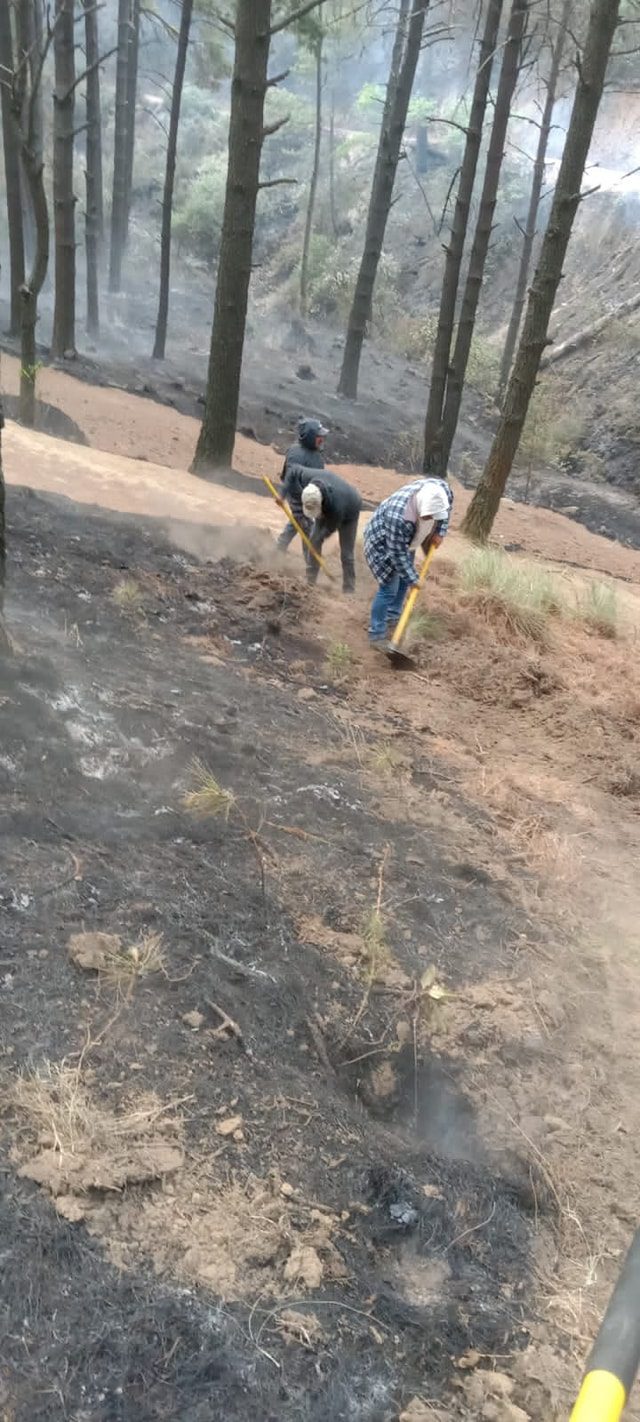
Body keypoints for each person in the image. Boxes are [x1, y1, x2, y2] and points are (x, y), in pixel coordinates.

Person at [363, 476, 453, 645]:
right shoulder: (399, 517)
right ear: (421, 508)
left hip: (407, 540)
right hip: (382, 541)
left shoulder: (442, 490)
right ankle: (376, 634)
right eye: (429, 516)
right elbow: (397, 555)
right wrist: (414, 579)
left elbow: (445, 512)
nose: (432, 518)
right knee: (389, 588)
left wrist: (440, 531)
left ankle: (392, 615)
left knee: (404, 579)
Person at [299, 472, 363, 594]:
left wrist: (320, 537)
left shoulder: (337, 506)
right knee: (314, 540)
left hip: (350, 510)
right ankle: (310, 579)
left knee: (346, 553)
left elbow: (330, 528)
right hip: (328, 504)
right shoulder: (311, 492)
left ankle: (349, 589)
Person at [277, 417, 328, 552]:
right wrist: (284, 495)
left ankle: (279, 548)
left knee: (296, 522)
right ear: (309, 436)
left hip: (308, 494)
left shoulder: (317, 456)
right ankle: (310, 561)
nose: (322, 439)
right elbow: (291, 479)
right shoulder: (296, 453)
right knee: (307, 529)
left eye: (322, 436)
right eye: (319, 436)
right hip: (296, 494)